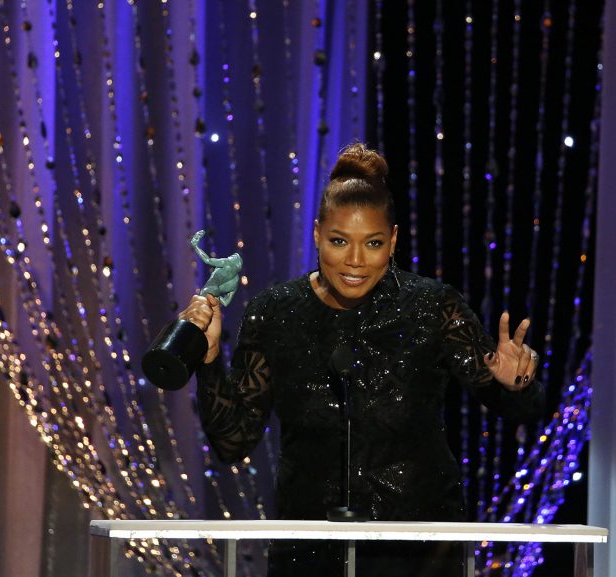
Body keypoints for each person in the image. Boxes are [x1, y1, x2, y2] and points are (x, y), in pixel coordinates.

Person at [178, 143, 544, 576]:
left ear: (392, 241)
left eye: (372, 243)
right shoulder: (274, 313)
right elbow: (233, 441)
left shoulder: (430, 307)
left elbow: (524, 410)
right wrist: (210, 360)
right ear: (317, 235)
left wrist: (514, 381)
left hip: (418, 553)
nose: (354, 261)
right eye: (338, 241)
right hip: (311, 553)